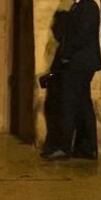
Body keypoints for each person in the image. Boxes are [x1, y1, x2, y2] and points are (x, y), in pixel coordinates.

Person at [42, 0, 101, 161]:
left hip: (79, 64)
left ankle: (64, 147)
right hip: (78, 63)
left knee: (68, 104)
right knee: (82, 105)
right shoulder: (79, 7)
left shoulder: (88, 8)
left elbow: (80, 37)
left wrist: (66, 56)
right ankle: (86, 147)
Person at [39, 10, 68, 157]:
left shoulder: (66, 46)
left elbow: (61, 70)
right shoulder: (62, 45)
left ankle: (57, 146)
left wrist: (51, 77)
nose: (52, 28)